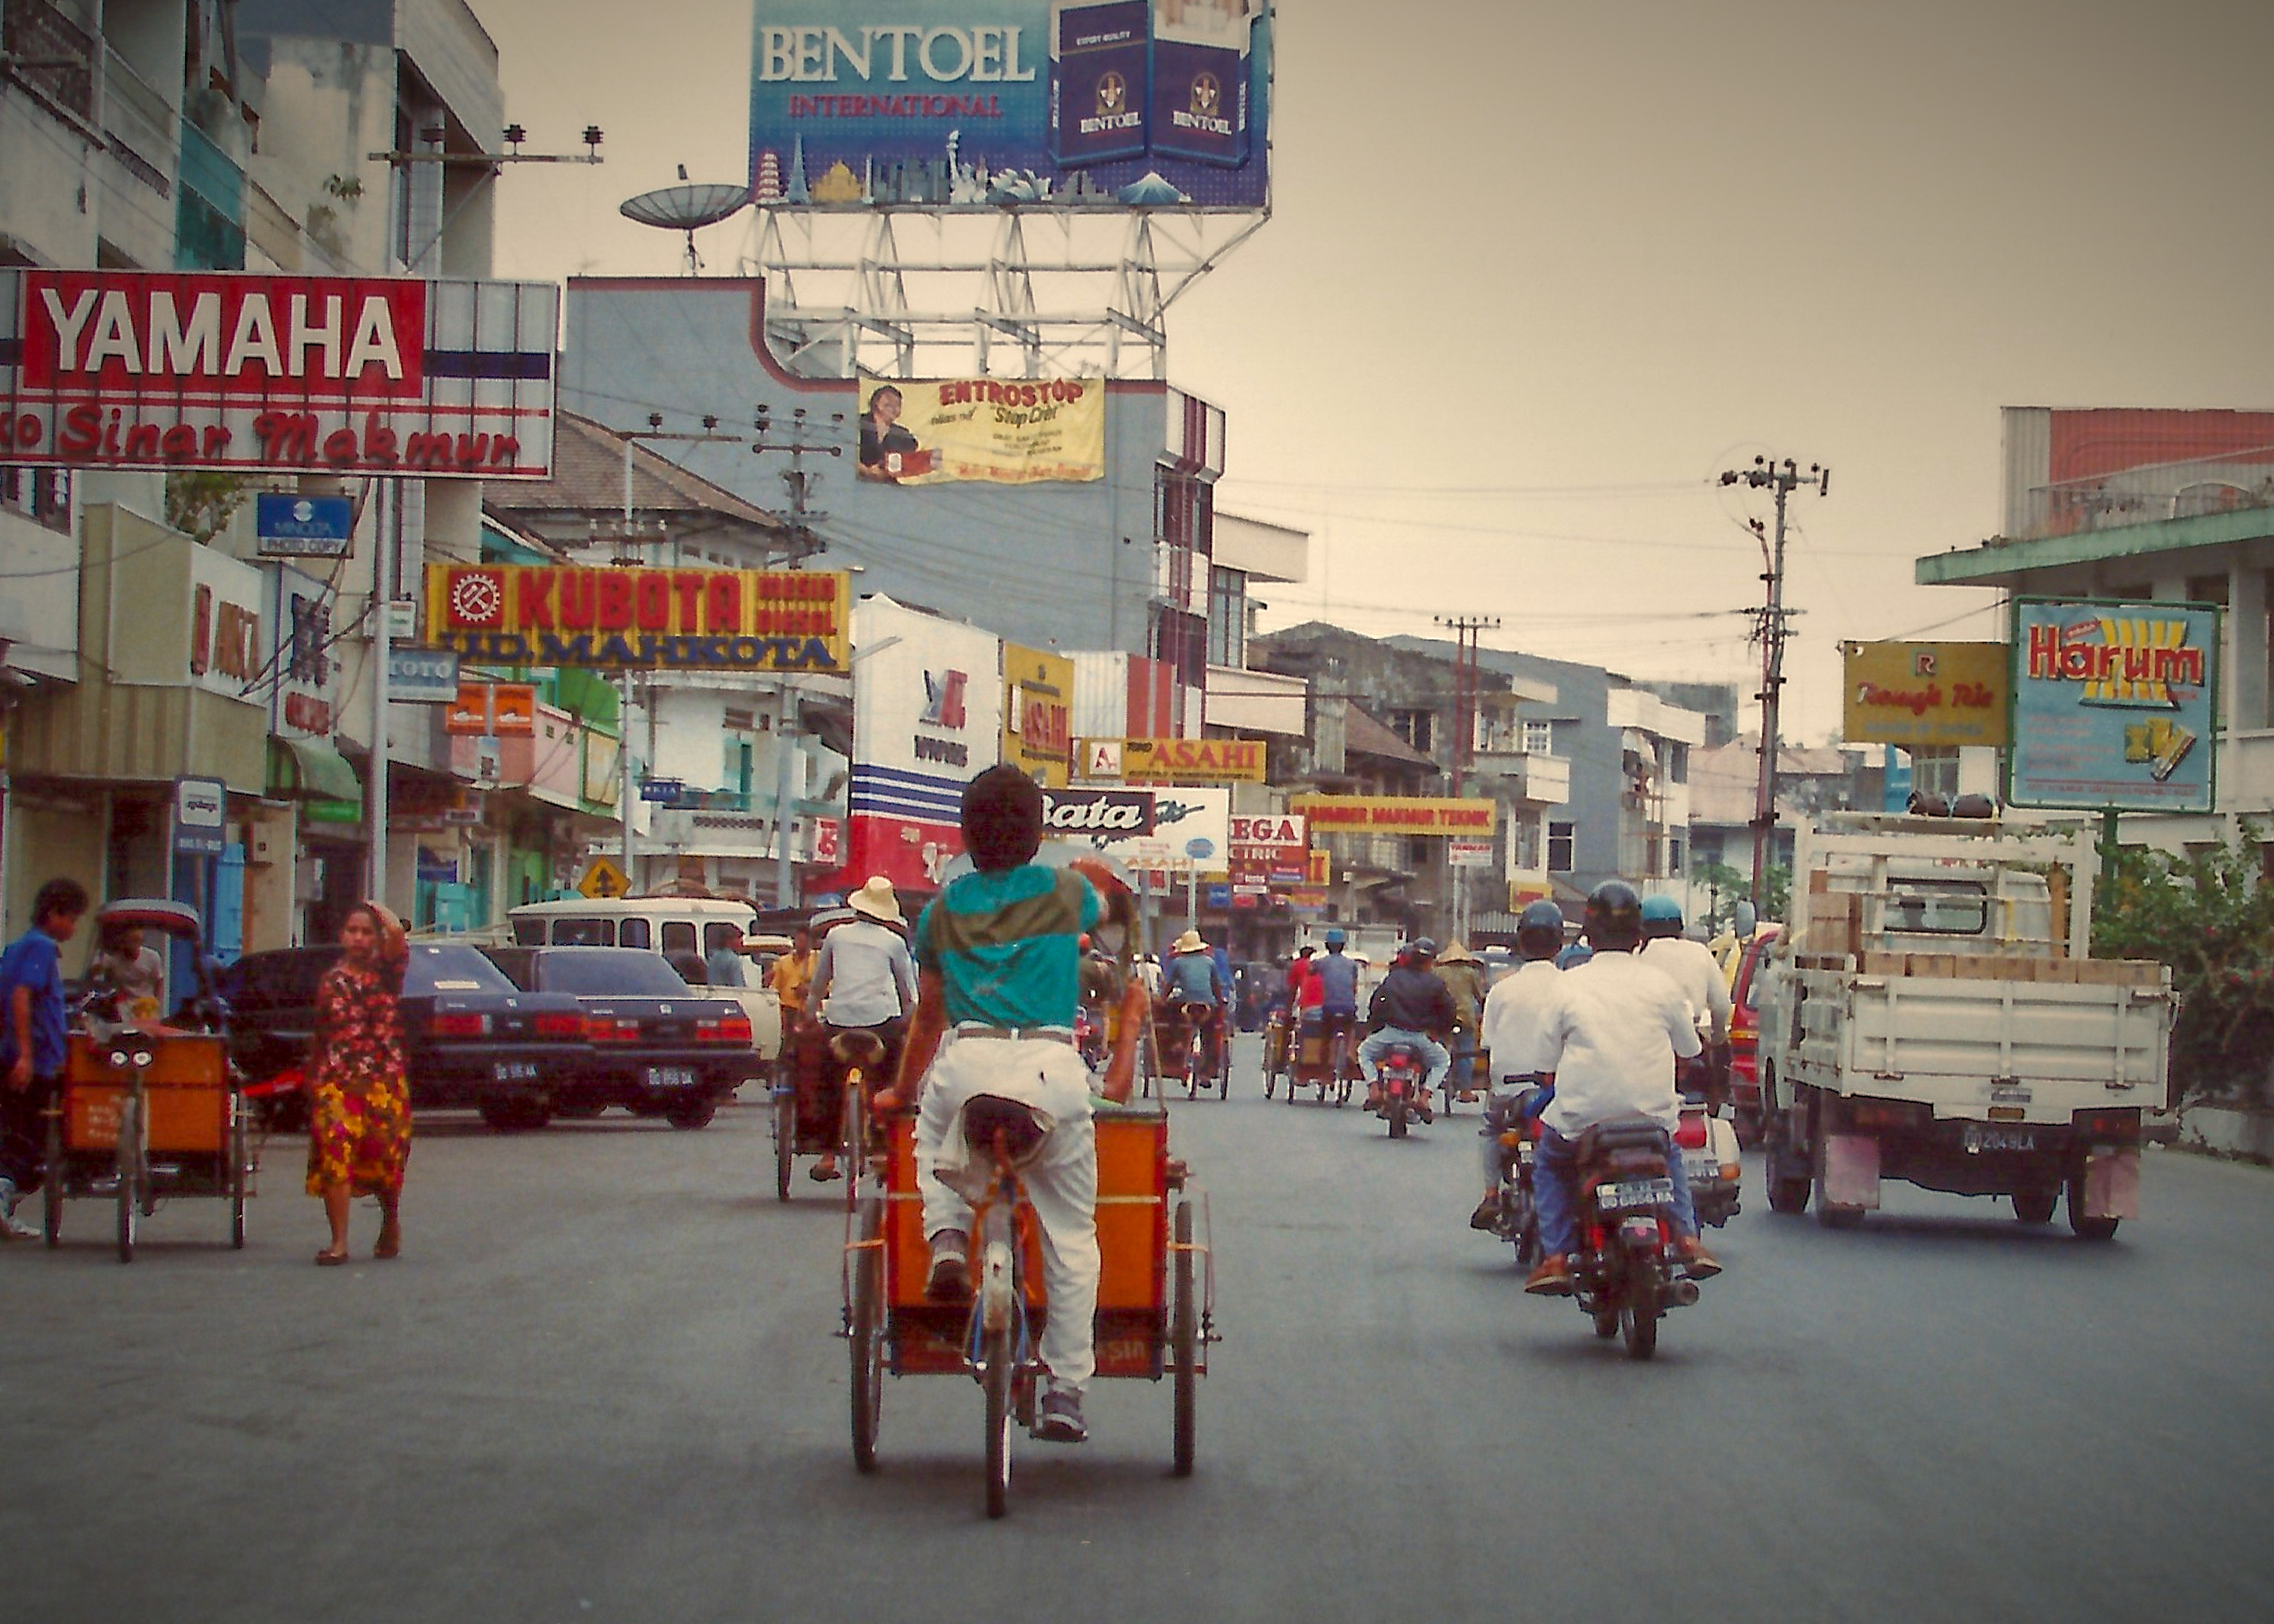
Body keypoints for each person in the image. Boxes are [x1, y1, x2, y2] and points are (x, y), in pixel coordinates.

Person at [879, 765, 1142, 1446]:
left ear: (967, 834)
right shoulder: (1067, 891)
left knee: (930, 1138)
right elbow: (1107, 908)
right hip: (1051, 1072)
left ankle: (945, 1242)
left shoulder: (942, 910)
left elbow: (928, 1018)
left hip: (967, 1063)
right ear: (1036, 833)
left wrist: (901, 1092)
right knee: (1070, 1235)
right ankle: (1065, 1388)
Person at [1524, 881, 1720, 1296]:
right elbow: (1690, 1047)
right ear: (1639, 935)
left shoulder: (1568, 984)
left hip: (1581, 1120)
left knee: (1549, 1164)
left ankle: (1557, 1256)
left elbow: (1544, 1063)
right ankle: (1687, 1238)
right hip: (1650, 1119)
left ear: (1588, 935)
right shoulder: (1663, 985)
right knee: (1672, 1156)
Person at [306, 901, 413, 1266]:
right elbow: (321, 1033)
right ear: (342, 936)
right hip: (336, 1081)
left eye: (366, 931)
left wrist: (371, 907)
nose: (358, 938)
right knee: (334, 1154)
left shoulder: (388, 972)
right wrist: (314, 1078)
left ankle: (390, 1221)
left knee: (385, 1159)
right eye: (352, 930)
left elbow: (397, 932)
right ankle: (339, 1242)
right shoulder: (330, 980)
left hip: (383, 1081)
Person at [804, 877, 918, 1181]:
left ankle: (828, 1156)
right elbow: (910, 995)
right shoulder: (894, 942)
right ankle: (882, 1147)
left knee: (828, 1083)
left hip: (839, 1020)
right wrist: (907, 1022)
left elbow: (819, 985)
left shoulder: (836, 936)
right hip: (881, 1023)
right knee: (889, 1078)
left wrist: (809, 1014)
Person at [1, 878, 90, 1240]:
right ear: (54, 915)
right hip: (32, 1064)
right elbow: (21, 998)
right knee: (35, 1141)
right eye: (72, 919)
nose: (74, 927)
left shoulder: (15, 948)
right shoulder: (40, 949)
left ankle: (5, 1209)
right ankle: (4, 1195)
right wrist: (25, 1055)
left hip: (13, 1056)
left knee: (14, 1133)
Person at [1470, 901, 1566, 1230]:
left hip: (1508, 1089)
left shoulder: (1501, 990)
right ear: (1560, 944)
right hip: (1558, 1092)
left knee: (1493, 1130)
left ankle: (1491, 1194)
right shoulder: (1571, 989)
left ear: (1520, 942)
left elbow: (1487, 1045)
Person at [1637, 895, 1733, 1102]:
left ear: (1641, 930)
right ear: (1680, 928)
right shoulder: (1700, 953)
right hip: (1691, 1044)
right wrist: (1716, 1039)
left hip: (1646, 1050)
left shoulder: (1637, 957)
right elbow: (1722, 1006)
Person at [1358, 939, 1455, 1118]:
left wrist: (1375, 1027)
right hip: (1420, 1037)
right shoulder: (1436, 984)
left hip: (1390, 1033)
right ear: (1431, 961)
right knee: (1443, 1061)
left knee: (1364, 1052)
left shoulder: (1394, 978)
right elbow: (1448, 1011)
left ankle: (1374, 1090)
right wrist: (1438, 1031)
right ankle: (1424, 1098)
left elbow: (1377, 1003)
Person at [1161, 928, 1228, 1078]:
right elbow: (1216, 986)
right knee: (1210, 1034)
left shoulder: (1178, 962)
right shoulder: (1210, 962)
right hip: (1207, 1004)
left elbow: (1169, 985)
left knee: (1171, 1012)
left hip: (1186, 1002)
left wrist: (1163, 1000)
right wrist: (1219, 1003)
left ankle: (1177, 1040)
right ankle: (1207, 1070)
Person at [1432, 941, 1488, 1099]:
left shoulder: (1438, 972)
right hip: (1465, 1018)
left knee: (1439, 1052)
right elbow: (1480, 996)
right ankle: (1465, 1091)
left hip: (1442, 1018)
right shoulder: (1471, 973)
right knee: (1465, 1053)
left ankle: (1430, 1086)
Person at [91, 917, 166, 1022]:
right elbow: (93, 971)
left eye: (137, 942)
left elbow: (159, 981)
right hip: (123, 1006)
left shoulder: (152, 957)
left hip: (146, 1005)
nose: (134, 948)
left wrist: (156, 1002)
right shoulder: (114, 959)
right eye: (130, 942)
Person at [1310, 928, 1362, 1077]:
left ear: (1327, 946)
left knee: (1325, 1037)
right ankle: (1350, 1052)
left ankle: (1325, 1072)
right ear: (1343, 946)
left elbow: (1310, 971)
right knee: (1350, 1029)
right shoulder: (1351, 964)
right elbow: (1354, 987)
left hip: (1330, 1007)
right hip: (1348, 1007)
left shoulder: (1321, 963)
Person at [856, 382, 921, 480]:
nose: (893, 408)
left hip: (888, 486)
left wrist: (885, 472)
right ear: (876, 403)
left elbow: (909, 459)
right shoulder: (857, 423)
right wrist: (865, 470)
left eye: (897, 405)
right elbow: (844, 451)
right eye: (889, 403)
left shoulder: (903, 435)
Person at [770, 926, 817, 1024]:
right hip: (787, 1010)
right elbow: (774, 987)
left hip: (809, 1010)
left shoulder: (818, 961)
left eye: (805, 941)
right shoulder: (783, 961)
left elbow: (828, 985)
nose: (801, 944)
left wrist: (810, 990)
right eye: (799, 940)